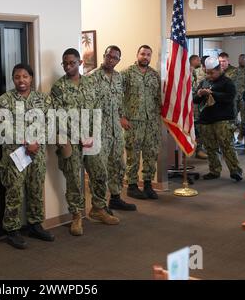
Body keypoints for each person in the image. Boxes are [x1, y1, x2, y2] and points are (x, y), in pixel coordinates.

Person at [50, 48, 119, 236]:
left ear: (80, 63)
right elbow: (57, 116)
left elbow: (98, 109)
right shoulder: (58, 87)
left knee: (99, 173)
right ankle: (77, 216)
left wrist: (93, 134)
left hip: (91, 138)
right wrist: (76, 134)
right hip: (70, 140)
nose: (68, 66)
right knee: (74, 178)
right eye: (65, 63)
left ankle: (98, 209)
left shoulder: (91, 83)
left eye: (72, 62)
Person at [0, 63, 54, 249]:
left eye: (25, 76)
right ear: (13, 79)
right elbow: (3, 126)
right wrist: (25, 142)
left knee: (36, 189)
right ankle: (11, 230)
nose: (21, 80)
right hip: (15, 155)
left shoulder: (43, 99)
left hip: (37, 153)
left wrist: (36, 142)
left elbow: (49, 124)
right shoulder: (4, 100)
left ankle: (35, 225)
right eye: (17, 77)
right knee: (15, 191)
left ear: (31, 78)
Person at [88, 46, 136, 212]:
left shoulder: (118, 77)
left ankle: (115, 198)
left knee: (118, 166)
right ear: (104, 56)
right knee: (99, 171)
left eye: (115, 58)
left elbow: (120, 100)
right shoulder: (92, 77)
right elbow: (86, 106)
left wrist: (122, 116)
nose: (111, 59)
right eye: (108, 56)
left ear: (118, 61)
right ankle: (99, 206)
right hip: (99, 131)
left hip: (116, 130)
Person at [121, 45, 162, 200]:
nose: (145, 57)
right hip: (133, 121)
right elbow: (118, 96)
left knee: (151, 154)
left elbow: (158, 97)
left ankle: (148, 185)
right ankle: (132, 185)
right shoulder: (127, 73)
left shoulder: (154, 75)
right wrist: (121, 117)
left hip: (151, 121)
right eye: (143, 54)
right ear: (137, 54)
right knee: (133, 153)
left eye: (148, 54)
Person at [193, 57, 243, 181]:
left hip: (223, 119)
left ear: (219, 69)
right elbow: (195, 100)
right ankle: (214, 170)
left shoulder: (227, 82)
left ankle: (235, 170)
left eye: (211, 73)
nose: (209, 75)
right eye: (207, 73)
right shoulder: (204, 82)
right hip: (206, 119)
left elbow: (229, 97)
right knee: (210, 147)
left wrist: (212, 93)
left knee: (227, 146)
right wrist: (199, 94)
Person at [190, 55, 208, 159]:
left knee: (199, 127)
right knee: (196, 127)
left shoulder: (198, 72)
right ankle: (198, 149)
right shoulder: (193, 71)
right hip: (192, 104)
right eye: (197, 59)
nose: (199, 61)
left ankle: (199, 149)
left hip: (198, 103)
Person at [234, 54, 245, 144]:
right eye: (240, 59)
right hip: (235, 98)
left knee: (244, 119)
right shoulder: (235, 70)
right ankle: (236, 133)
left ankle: (241, 136)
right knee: (232, 117)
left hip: (244, 98)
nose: (241, 60)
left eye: (243, 59)